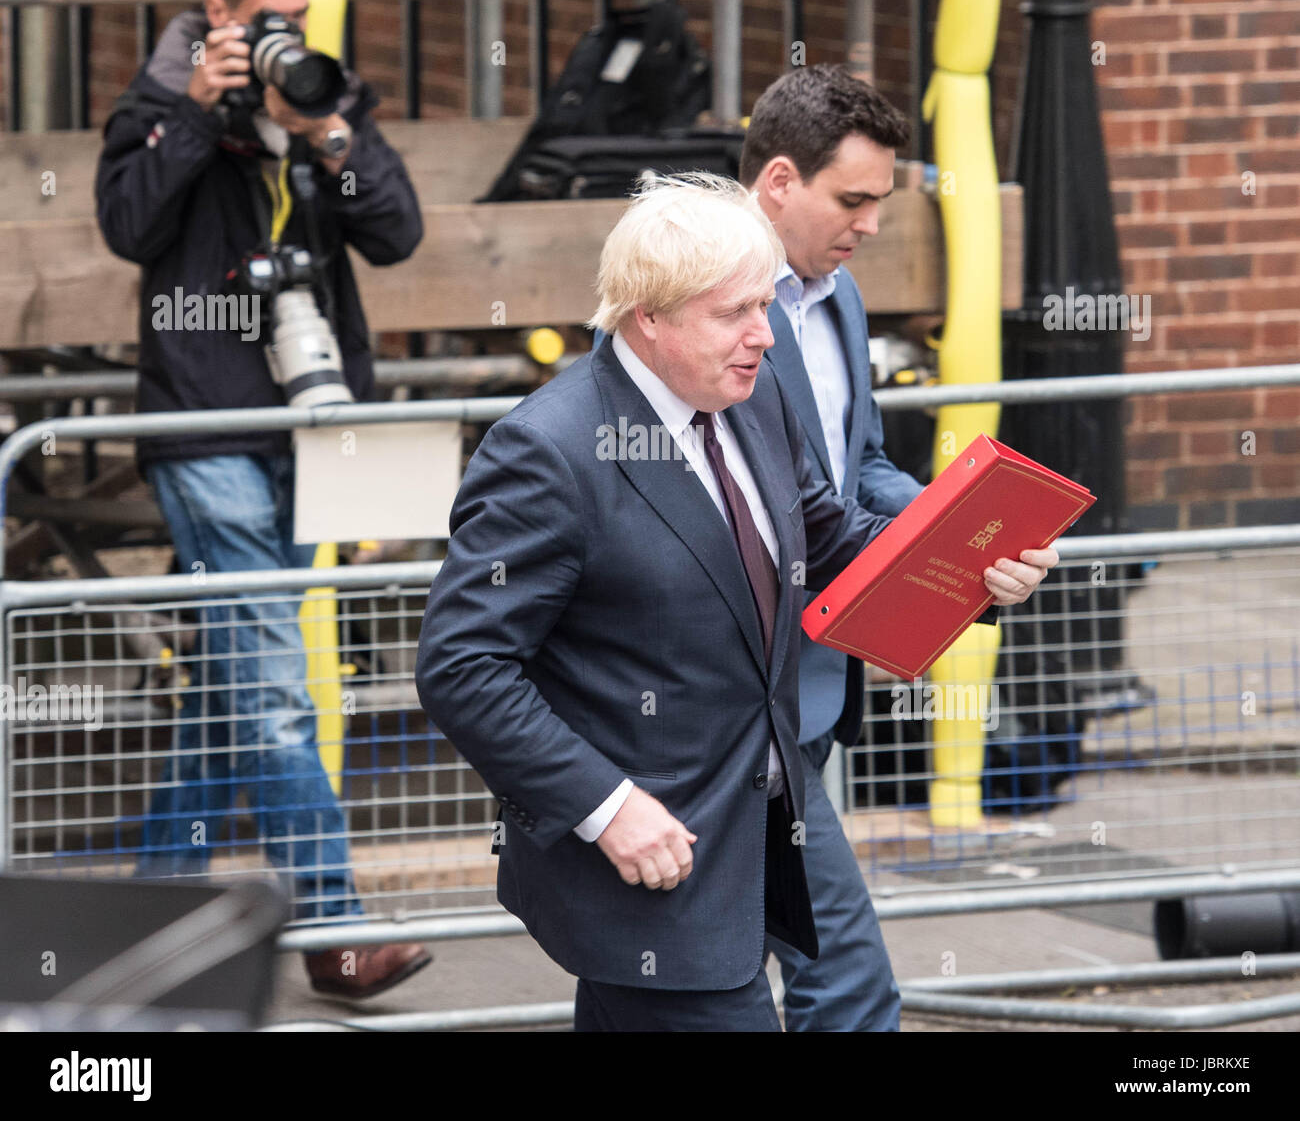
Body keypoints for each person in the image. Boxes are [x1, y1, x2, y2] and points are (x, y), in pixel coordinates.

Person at [415, 172, 1056, 1031]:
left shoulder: (752, 401)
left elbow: (831, 544)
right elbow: (463, 668)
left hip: (759, 823)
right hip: (650, 863)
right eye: (734, 314)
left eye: (765, 306)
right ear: (649, 316)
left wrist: (973, 571)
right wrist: (608, 808)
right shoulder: (547, 452)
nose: (764, 335)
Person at [94, 0, 429, 999]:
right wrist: (197, 111)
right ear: (218, 11)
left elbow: (398, 235)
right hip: (202, 428)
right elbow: (128, 223)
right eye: (268, 16)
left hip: (311, 427)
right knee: (277, 684)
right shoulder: (157, 102)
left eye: (301, 14)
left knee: (233, 687)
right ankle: (331, 929)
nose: (289, 34)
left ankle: (144, 928)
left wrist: (325, 132)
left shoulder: (324, 102)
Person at [741, 63, 1001, 1030]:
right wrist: (942, 550)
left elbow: (861, 469)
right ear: (777, 182)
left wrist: (964, 529)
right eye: (851, 199)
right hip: (725, 696)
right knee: (841, 980)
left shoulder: (837, 296)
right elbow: (795, 509)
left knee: (714, 978)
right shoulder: (703, 303)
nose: (873, 225)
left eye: (881, 201)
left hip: (797, 689)